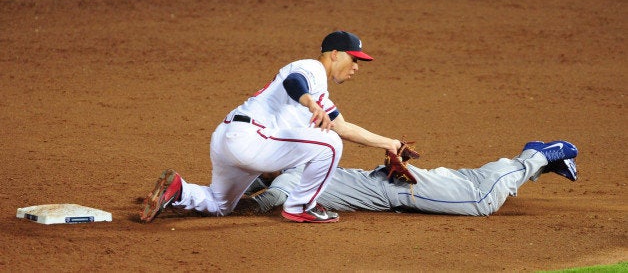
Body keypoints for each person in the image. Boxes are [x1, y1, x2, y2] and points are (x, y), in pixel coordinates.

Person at [140, 31, 403, 223]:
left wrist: (389, 143)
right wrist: (311, 104)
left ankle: (179, 189)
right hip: (251, 139)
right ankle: (301, 207)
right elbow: (294, 82)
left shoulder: (320, 93)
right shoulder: (311, 68)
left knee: (220, 205)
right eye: (353, 59)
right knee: (330, 144)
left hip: (229, 139)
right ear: (334, 54)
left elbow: (343, 127)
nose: (356, 67)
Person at [238, 140, 579, 216]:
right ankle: (540, 162)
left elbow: (273, 196)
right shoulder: (300, 167)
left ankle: (537, 156)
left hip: (399, 190)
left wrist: (234, 209)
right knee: (472, 181)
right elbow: (260, 181)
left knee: (480, 199)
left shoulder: (295, 174)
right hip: (395, 183)